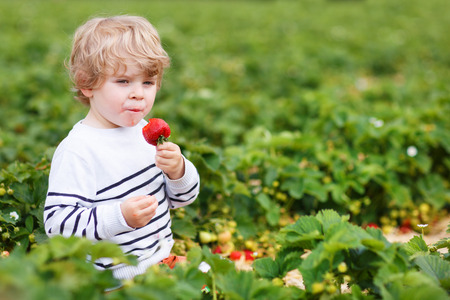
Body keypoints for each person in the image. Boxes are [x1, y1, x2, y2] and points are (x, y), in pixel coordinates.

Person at [44, 15, 200, 280]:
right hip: (115, 278)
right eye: (124, 81)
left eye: (148, 82)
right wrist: (120, 217)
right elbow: (58, 224)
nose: (138, 93)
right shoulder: (79, 150)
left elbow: (182, 199)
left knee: (214, 282)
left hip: (162, 261)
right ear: (87, 83)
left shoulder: (147, 133)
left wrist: (179, 171)